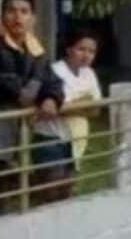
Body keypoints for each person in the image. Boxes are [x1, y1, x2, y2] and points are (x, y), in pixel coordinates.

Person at [0, 0, 64, 212]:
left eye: (24, 12)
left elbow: (52, 80)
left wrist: (51, 98)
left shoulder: (36, 50)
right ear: (2, 15)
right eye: (11, 10)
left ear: (32, 18)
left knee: (5, 187)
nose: (17, 17)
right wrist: (21, 89)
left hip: (17, 132)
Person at [34, 31, 102, 200]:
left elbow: (96, 110)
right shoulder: (55, 71)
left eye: (91, 51)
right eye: (81, 49)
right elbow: (54, 109)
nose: (86, 55)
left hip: (75, 141)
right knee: (51, 191)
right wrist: (83, 103)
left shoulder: (89, 74)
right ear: (69, 49)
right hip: (51, 139)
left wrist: (70, 105)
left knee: (68, 190)